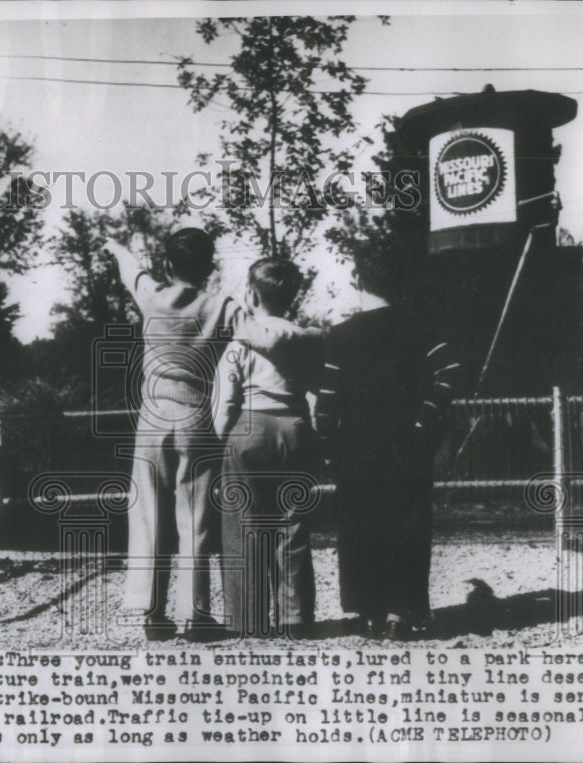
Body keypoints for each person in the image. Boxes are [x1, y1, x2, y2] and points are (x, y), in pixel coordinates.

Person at [106, 229, 308, 642]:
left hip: (152, 420)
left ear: (167, 265)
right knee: (194, 522)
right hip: (195, 419)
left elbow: (130, 269)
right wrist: (311, 335)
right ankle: (195, 615)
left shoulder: (150, 295)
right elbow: (267, 336)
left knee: (148, 517)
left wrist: (115, 247)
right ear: (209, 267)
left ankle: (152, 613)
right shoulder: (222, 306)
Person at [314, 251, 458, 640]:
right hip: (409, 443)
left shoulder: (341, 335)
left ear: (358, 281)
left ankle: (364, 611)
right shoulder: (421, 326)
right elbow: (450, 375)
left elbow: (327, 399)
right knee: (408, 523)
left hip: (356, 445)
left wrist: (326, 442)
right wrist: (423, 420)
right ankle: (401, 610)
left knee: (360, 525)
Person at [212, 258, 321, 639]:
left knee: (244, 523)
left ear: (252, 293)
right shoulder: (306, 338)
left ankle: (250, 619)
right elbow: (316, 391)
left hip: (249, 430)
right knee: (294, 524)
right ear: (291, 298)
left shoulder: (241, 343)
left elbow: (226, 402)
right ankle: (295, 617)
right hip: (295, 428)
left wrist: (218, 444)